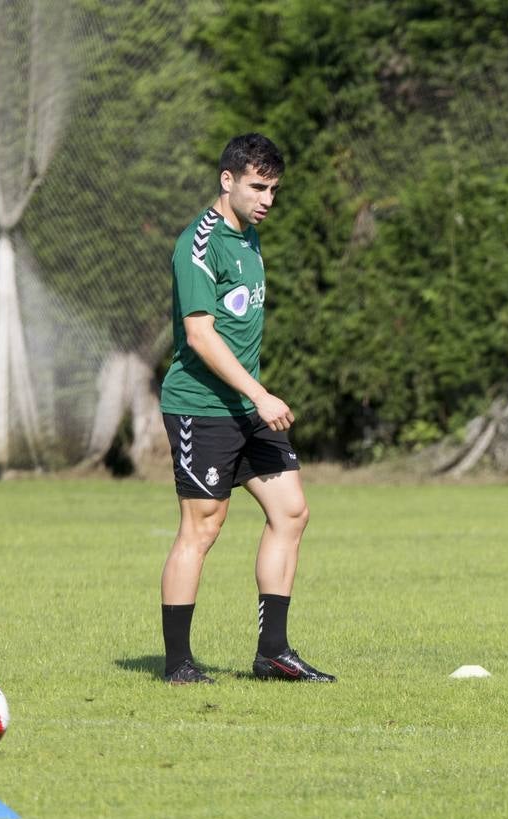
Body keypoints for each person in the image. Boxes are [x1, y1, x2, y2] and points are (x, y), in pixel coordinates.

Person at [156, 133, 334, 685]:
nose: (267, 199)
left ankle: (273, 653)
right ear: (226, 180)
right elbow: (201, 336)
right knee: (202, 529)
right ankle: (179, 664)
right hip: (201, 406)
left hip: (245, 404)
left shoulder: (249, 237)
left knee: (291, 511)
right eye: (258, 187)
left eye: (274, 189)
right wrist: (260, 394)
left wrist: (254, 396)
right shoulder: (198, 243)